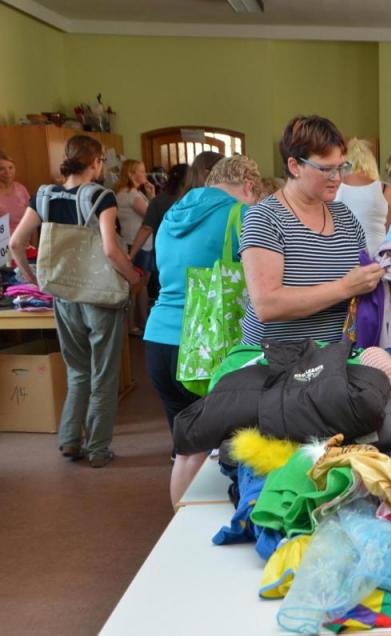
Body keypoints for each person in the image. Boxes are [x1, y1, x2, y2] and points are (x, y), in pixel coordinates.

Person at [9, 135, 141, 468]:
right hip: (100, 295)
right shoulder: (101, 196)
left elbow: (16, 243)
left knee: (78, 370)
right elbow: (110, 249)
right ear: (96, 161)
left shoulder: (43, 195)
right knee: (104, 374)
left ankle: (70, 439)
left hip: (63, 294)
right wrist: (133, 277)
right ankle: (98, 448)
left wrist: (32, 277)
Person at [146, 155, 262, 504]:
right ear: (248, 186)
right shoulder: (240, 214)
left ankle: (178, 519)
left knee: (184, 446)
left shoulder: (172, 214)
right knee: (212, 448)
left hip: (158, 338)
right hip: (205, 345)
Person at [240, 115, 384, 346]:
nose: (337, 178)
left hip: (335, 357)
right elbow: (267, 305)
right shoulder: (265, 218)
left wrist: (383, 277)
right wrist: (344, 287)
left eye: (342, 167)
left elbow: (361, 281)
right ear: (294, 166)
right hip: (277, 358)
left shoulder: (345, 216)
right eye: (326, 169)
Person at [114, 159, 155, 335]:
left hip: (136, 242)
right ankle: (138, 323)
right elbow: (152, 215)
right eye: (142, 171)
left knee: (140, 285)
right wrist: (152, 197)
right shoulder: (131, 195)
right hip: (137, 243)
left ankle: (141, 322)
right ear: (132, 174)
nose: (145, 174)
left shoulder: (126, 193)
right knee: (138, 285)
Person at [335, 138, 391, 254]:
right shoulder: (384, 189)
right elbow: (389, 227)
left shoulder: (335, 187)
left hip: (345, 255)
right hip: (378, 255)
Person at [130, 163, 188, 260]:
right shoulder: (196, 199)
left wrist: (131, 255)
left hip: (165, 254)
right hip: (190, 254)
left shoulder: (159, 200)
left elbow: (146, 228)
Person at [0, 151, 31, 234]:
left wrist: (35, 241)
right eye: (1, 169)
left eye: (10, 168)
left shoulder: (21, 188)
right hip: (4, 240)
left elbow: (31, 218)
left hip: (25, 238)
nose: (7, 172)